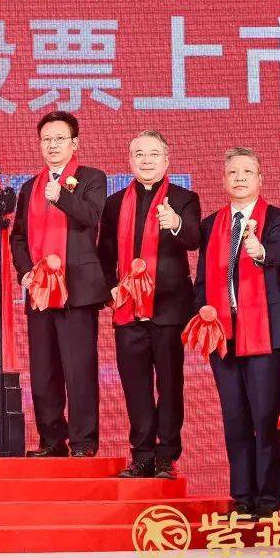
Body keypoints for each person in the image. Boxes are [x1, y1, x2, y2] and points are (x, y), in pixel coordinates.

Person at [195, 147, 280, 519]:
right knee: (234, 417)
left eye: (247, 172)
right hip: (222, 334)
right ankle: (243, 497)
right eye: (233, 172)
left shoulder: (279, 218)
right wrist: (201, 314)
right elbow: (201, 280)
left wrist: (260, 250)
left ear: (260, 179)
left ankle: (268, 499)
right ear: (223, 180)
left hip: (266, 332)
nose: (239, 178)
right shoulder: (210, 224)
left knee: (265, 418)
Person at [98, 131, 200, 479]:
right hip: (128, 308)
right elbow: (104, 253)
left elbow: (194, 239)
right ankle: (141, 455)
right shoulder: (114, 203)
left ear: (166, 160)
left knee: (169, 384)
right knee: (135, 385)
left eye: (154, 154)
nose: (146, 160)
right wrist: (111, 288)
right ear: (130, 160)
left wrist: (176, 224)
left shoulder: (184, 198)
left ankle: (165, 457)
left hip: (168, 308)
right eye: (139, 154)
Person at [9, 111, 107, 457]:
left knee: (79, 369)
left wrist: (61, 196)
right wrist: (25, 271)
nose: (52, 145)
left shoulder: (92, 178)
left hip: (76, 290)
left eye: (59, 139)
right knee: (43, 370)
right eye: (46, 140)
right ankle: (51, 441)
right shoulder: (29, 187)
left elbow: (91, 216)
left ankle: (83, 442)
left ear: (74, 143)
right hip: (40, 291)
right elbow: (18, 237)